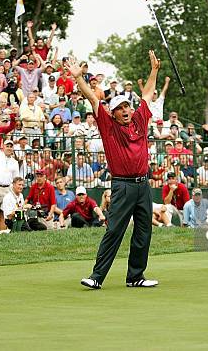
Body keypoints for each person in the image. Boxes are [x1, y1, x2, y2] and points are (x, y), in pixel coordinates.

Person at [67, 50, 161, 289]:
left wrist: (154, 71)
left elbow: (148, 94)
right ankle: (97, 277)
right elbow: (93, 99)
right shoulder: (108, 126)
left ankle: (135, 277)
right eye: (120, 108)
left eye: (127, 106)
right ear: (114, 113)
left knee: (143, 232)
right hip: (123, 185)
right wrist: (79, 78)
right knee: (115, 230)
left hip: (143, 185)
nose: (126, 110)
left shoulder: (140, 120)